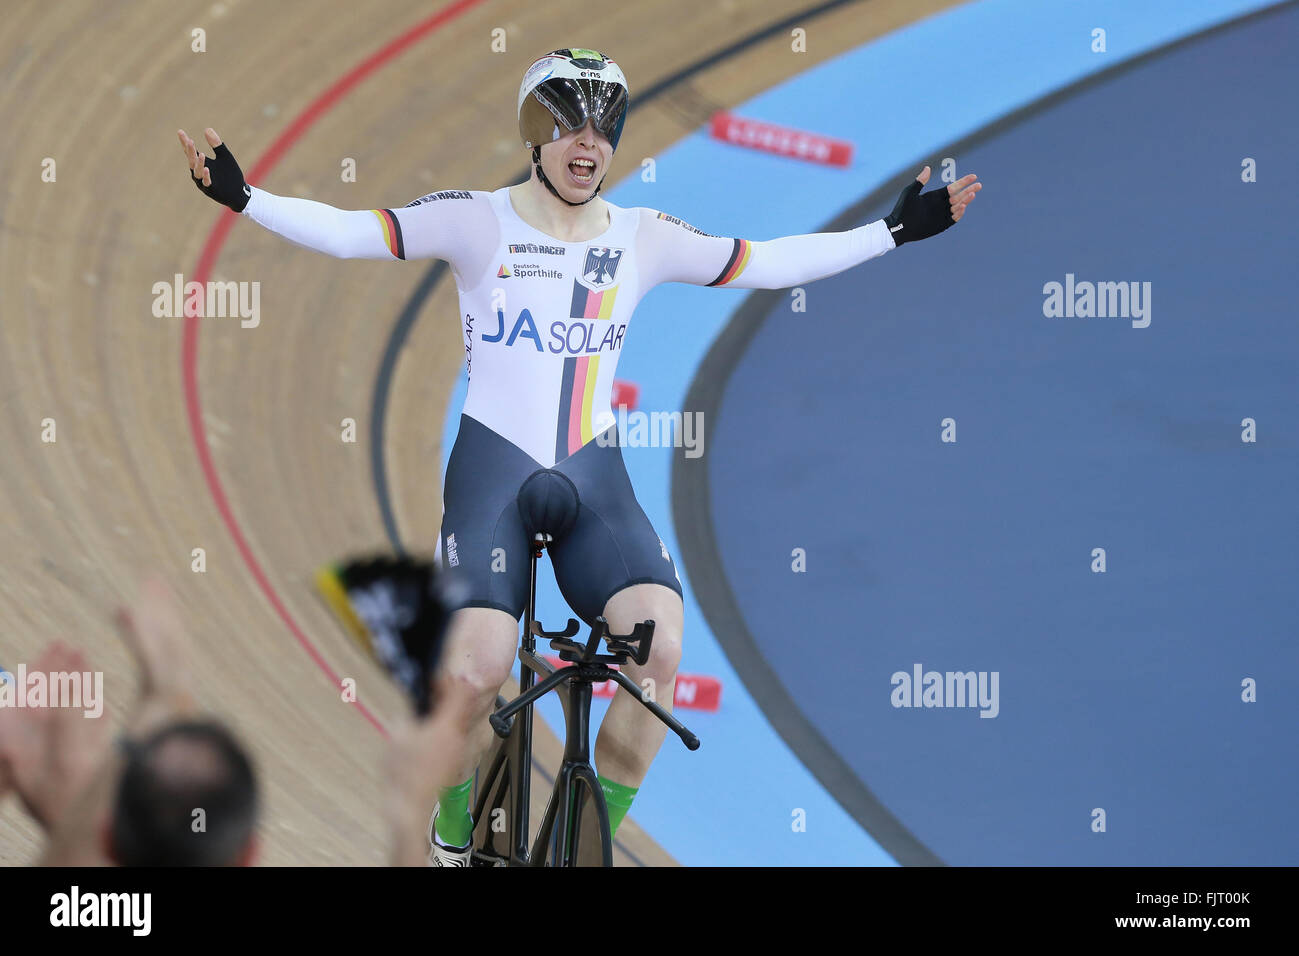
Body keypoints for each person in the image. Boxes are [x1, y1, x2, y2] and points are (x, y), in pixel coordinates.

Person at [178, 47, 981, 866]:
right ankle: (455, 828)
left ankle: (576, 842)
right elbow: (356, 236)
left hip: (593, 481)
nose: (587, 143)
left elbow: (770, 262)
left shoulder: (645, 237)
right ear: (535, 133)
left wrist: (891, 232)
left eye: (604, 127)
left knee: (659, 650)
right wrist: (245, 198)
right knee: (480, 668)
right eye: (567, 124)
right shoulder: (474, 219)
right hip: (495, 476)